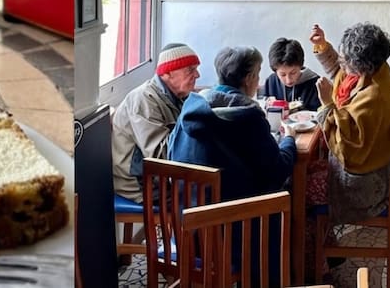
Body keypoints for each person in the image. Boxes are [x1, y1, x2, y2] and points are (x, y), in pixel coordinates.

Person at [168, 45, 297, 286]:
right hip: (234, 232)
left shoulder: (191, 107)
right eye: (258, 74)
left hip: (189, 226)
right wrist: (289, 140)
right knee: (282, 196)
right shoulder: (248, 117)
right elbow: (277, 170)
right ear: (249, 79)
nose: (258, 81)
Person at [307, 23, 390, 231]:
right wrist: (322, 45)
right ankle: (322, 251)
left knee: (298, 189)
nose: (341, 62)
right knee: (305, 171)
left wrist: (327, 104)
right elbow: (340, 74)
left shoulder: (374, 95)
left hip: (362, 185)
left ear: (362, 65)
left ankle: (314, 257)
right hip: (371, 171)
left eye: (345, 60)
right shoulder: (376, 69)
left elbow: (348, 149)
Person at [110, 43, 202, 203]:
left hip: (159, 179)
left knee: (220, 184)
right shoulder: (144, 100)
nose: (197, 75)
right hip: (142, 185)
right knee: (209, 196)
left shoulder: (177, 96)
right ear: (167, 73)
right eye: (190, 70)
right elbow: (161, 158)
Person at [261, 37, 321, 110]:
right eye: (283, 74)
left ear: (300, 66)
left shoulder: (316, 83)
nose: (288, 80)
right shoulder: (271, 81)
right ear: (275, 70)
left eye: (293, 73)